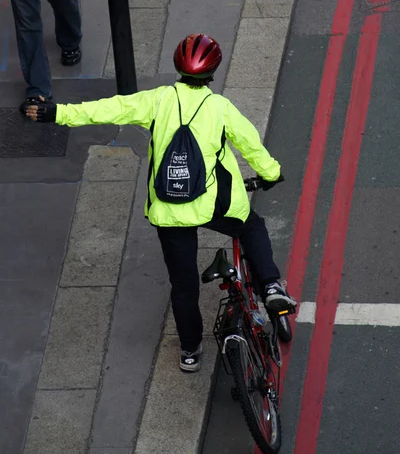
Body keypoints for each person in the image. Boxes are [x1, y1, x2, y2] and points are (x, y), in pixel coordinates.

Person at [25, 34, 296, 372]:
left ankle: (190, 352)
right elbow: (252, 146)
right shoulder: (220, 108)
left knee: (183, 285)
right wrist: (271, 173)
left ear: (177, 66)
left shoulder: (156, 101)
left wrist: (57, 113)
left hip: (168, 210)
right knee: (251, 226)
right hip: (212, 204)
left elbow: (109, 109)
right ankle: (270, 285)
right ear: (212, 72)